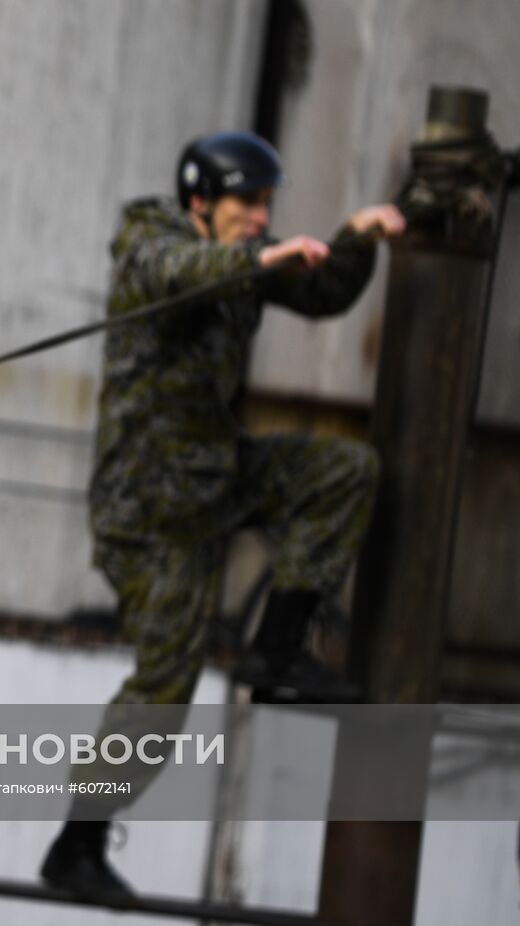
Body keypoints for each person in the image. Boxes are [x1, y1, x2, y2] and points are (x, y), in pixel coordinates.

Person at [38, 131, 406, 898]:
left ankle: (277, 650)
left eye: (268, 204)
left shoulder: (246, 258)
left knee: (343, 472)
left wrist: (358, 237)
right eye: (249, 203)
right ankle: (77, 847)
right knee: (165, 686)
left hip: (212, 473)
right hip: (148, 509)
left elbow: (323, 289)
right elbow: (177, 273)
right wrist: (255, 260)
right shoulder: (153, 238)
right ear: (201, 201)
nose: (260, 217)